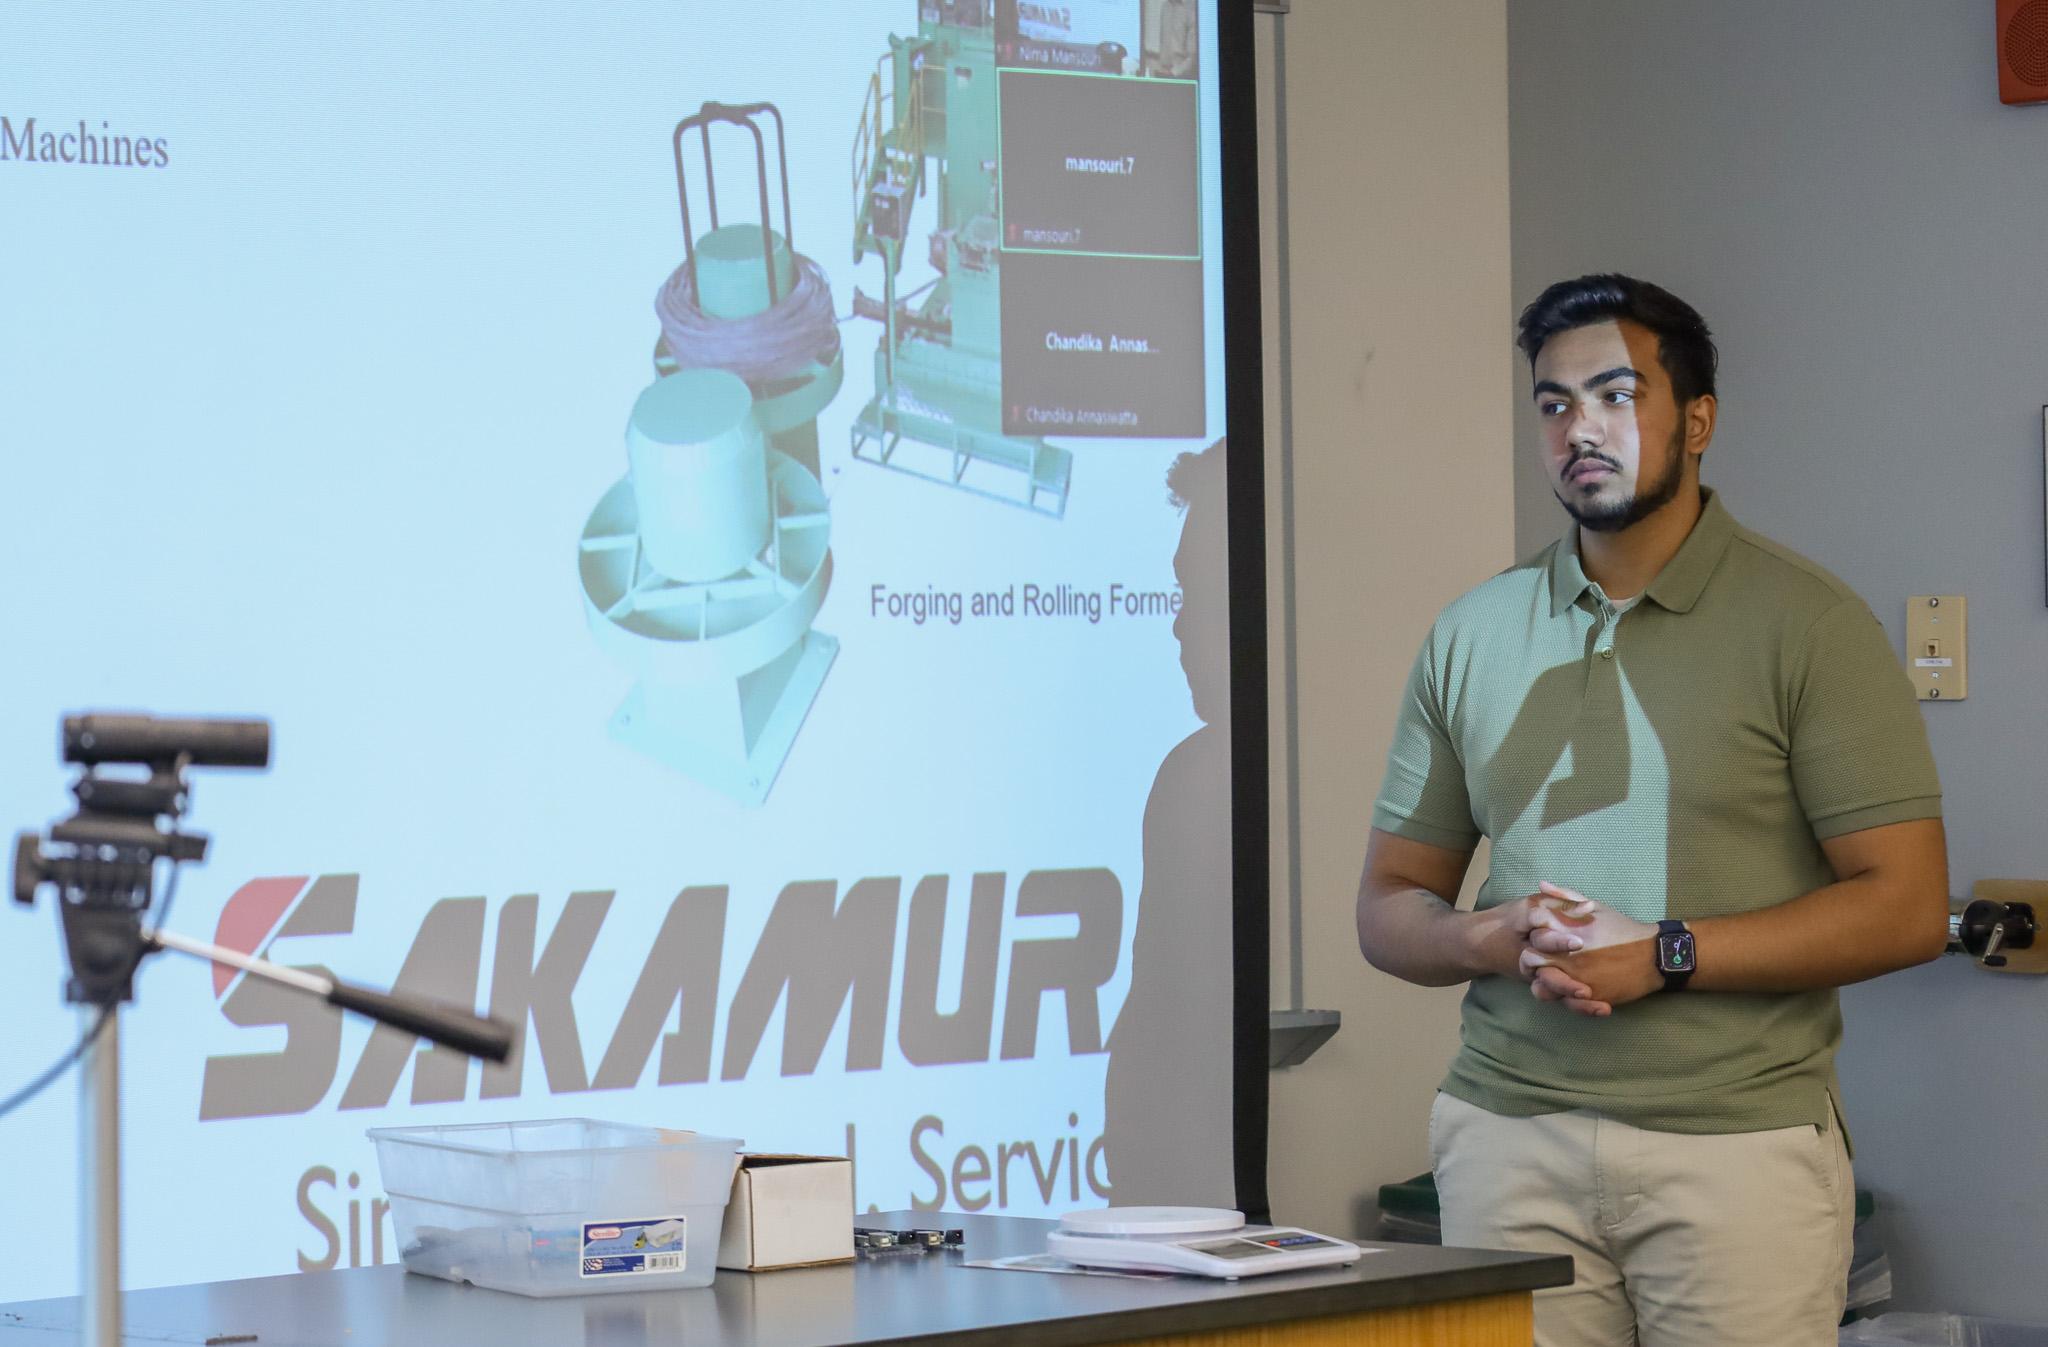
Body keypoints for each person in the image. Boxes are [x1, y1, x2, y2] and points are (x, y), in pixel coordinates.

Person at [1355, 274, 1948, 1347]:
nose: (1578, 428)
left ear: (1697, 421)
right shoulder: (1471, 633)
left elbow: (1905, 908)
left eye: (1614, 395)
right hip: (1505, 1136)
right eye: (1551, 403)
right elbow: (1390, 906)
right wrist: (1478, 937)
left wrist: (1666, 951)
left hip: (1735, 1148)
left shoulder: (1805, 623)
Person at [1103, 439, 1234, 1206]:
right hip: (1159, 1214)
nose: (1179, 628)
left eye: (1198, 595)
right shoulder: (1185, 780)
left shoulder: (1211, 781)